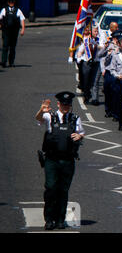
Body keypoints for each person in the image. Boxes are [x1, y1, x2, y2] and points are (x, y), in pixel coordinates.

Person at [35, 91, 85, 230]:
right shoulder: (50, 116)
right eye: (63, 105)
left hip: (68, 160)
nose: (66, 107)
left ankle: (60, 219)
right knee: (51, 188)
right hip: (52, 159)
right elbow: (38, 119)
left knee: (63, 190)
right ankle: (49, 219)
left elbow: (81, 132)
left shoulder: (75, 118)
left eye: (68, 105)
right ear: (58, 104)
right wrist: (41, 110)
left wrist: (79, 136)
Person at [0, 0, 25, 68]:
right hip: (6, 30)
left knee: (12, 47)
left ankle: (11, 62)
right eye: (10, 2)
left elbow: (22, 19)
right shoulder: (4, 10)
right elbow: (0, 18)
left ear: (14, 2)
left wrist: (23, 29)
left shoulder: (18, 10)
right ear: (8, 2)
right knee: (5, 46)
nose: (11, 3)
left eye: (12, 2)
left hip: (14, 31)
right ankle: (4, 62)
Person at [103, 29, 121, 120]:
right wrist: (108, 52)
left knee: (116, 93)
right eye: (117, 38)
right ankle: (108, 110)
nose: (118, 39)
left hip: (117, 73)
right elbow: (102, 58)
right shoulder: (109, 46)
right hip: (108, 72)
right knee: (107, 92)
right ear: (113, 38)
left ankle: (115, 112)